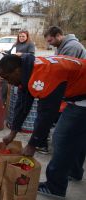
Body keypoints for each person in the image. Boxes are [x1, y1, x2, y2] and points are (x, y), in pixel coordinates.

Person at [0, 54, 86, 198]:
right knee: (77, 136)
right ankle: (73, 171)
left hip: (82, 97)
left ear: (16, 71)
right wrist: (13, 132)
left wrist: (33, 144)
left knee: (61, 139)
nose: (8, 82)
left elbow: (46, 115)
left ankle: (55, 187)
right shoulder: (29, 69)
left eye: (7, 78)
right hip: (79, 91)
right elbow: (23, 104)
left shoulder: (43, 76)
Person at [44, 26, 86, 178]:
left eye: (51, 40)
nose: (50, 44)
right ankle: (75, 171)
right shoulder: (62, 46)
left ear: (59, 35)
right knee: (79, 139)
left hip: (79, 99)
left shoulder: (72, 48)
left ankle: (56, 182)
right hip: (78, 98)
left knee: (61, 138)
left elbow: (62, 75)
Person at [4, 30, 38, 138]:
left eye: (23, 36)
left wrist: (21, 54)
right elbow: (10, 52)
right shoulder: (16, 44)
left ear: (27, 37)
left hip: (24, 71)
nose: (21, 38)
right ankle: (15, 125)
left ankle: (19, 127)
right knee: (16, 100)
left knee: (23, 102)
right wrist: (5, 53)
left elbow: (32, 56)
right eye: (20, 36)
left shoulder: (30, 44)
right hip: (16, 69)